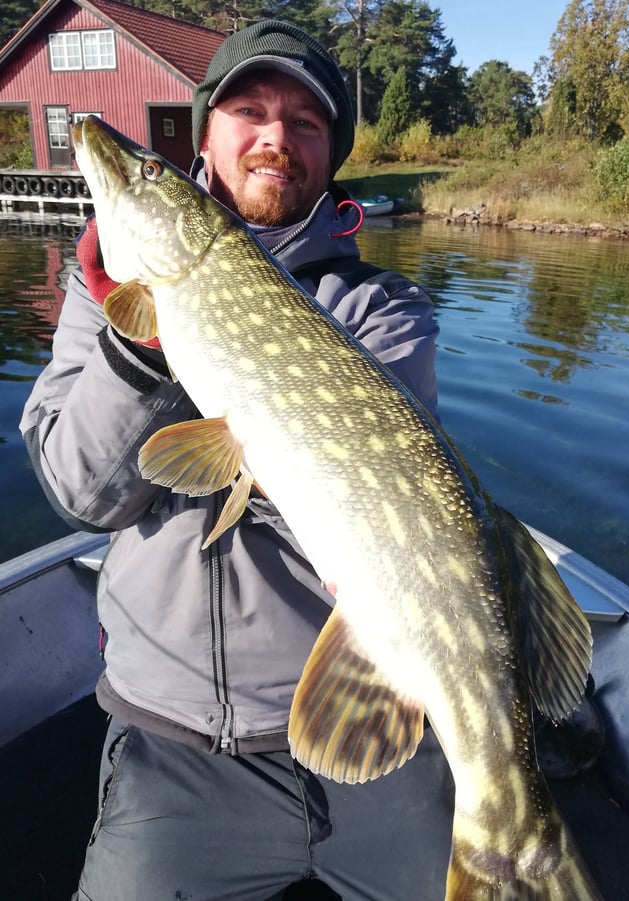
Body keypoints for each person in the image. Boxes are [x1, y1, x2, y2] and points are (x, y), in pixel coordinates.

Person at [20, 19, 453, 901]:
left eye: (305, 122)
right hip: (176, 744)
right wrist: (137, 352)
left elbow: (375, 506)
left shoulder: (380, 307)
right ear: (207, 133)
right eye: (249, 110)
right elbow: (80, 491)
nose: (275, 138)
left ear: (330, 151)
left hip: (367, 723)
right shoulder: (99, 288)